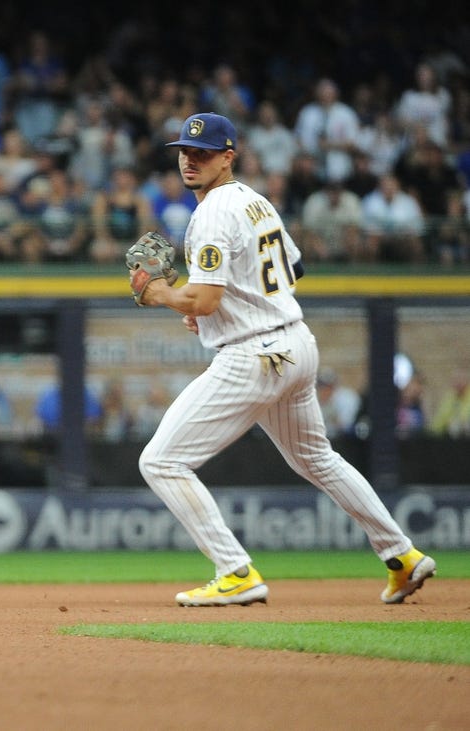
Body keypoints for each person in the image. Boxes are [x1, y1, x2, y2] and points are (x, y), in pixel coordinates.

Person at [130, 112, 435, 607]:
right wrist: (215, 309)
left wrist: (161, 294)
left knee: (161, 461)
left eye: (203, 152)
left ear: (228, 157)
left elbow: (204, 299)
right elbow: (293, 268)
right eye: (185, 151)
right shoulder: (256, 202)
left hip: (254, 355)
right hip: (295, 344)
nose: (190, 160)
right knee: (317, 458)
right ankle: (401, 555)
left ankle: (234, 571)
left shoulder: (210, 213)